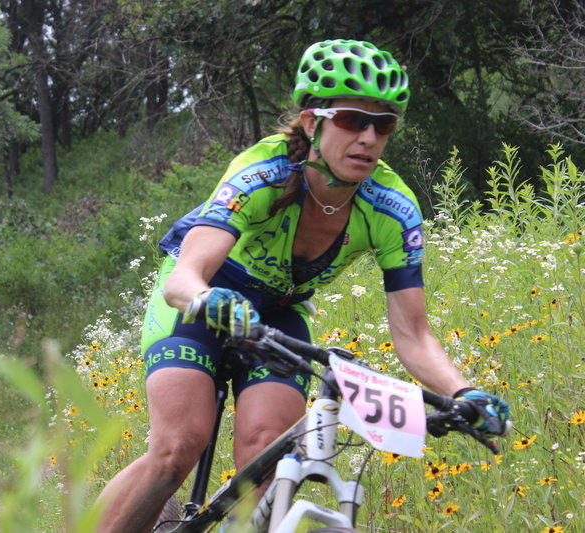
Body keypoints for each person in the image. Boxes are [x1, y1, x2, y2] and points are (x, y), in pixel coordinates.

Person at [94, 39, 510, 533]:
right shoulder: (263, 172)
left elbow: (414, 335)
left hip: (275, 312)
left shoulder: (393, 209)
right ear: (314, 122)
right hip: (203, 299)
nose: (370, 137)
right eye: (355, 119)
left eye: (384, 124)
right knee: (177, 449)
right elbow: (185, 277)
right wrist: (207, 299)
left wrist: (466, 393)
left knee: (268, 451)